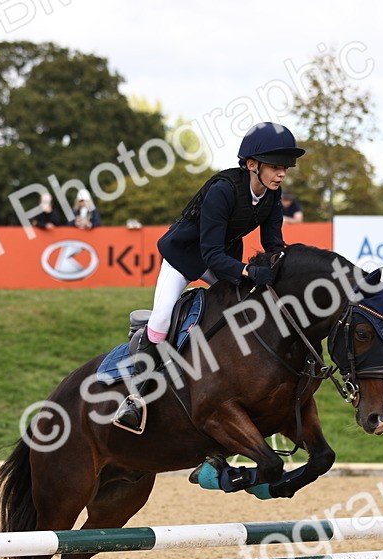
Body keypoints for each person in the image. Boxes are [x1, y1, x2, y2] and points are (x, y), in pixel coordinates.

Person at [112, 121, 304, 433]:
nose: (282, 173)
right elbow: (210, 253)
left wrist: (286, 266)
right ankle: (135, 397)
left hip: (221, 256)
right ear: (252, 165)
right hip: (185, 255)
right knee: (161, 319)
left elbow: (274, 245)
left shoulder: (271, 195)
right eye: (275, 166)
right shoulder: (223, 191)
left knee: (243, 311)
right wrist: (246, 271)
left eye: (285, 167)